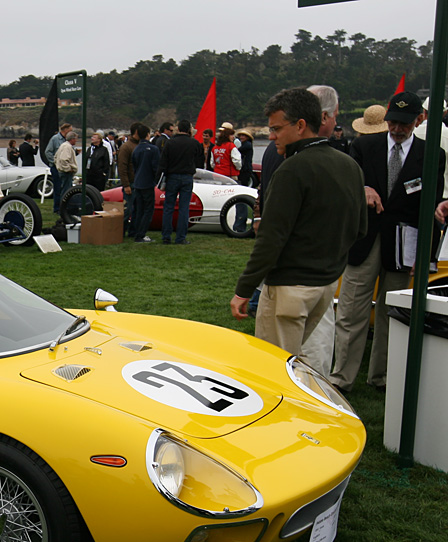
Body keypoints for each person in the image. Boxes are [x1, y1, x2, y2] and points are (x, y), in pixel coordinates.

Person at [230, 88, 367, 365]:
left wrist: (244, 289)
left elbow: (271, 237)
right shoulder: (349, 165)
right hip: (327, 284)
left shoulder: (292, 169)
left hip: (289, 287)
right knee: (308, 363)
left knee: (274, 368)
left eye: (277, 128)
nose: (271, 136)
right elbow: (359, 228)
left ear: (301, 125)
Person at [331, 91, 446, 393]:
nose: (396, 130)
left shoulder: (432, 154)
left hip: (404, 245)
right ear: (385, 119)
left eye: (404, 124)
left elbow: (431, 207)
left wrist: (426, 256)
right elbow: (346, 187)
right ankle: (342, 378)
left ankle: (381, 377)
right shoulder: (363, 146)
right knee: (351, 311)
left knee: (391, 312)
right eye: (393, 122)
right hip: (365, 240)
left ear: (419, 120)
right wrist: (365, 188)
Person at [158, 119, 203, 245]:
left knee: (168, 207)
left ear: (178, 129)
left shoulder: (170, 143)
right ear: (189, 129)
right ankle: (181, 237)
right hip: (187, 176)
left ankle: (166, 236)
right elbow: (199, 161)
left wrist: (161, 178)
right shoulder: (194, 143)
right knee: (184, 208)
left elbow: (163, 162)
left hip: (172, 176)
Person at [130, 123, 160, 243]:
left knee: (139, 209)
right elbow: (156, 167)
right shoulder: (153, 149)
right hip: (148, 183)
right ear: (148, 135)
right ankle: (141, 234)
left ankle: (137, 232)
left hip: (138, 182)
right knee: (148, 209)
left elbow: (135, 166)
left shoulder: (136, 149)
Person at [117, 122, 140, 236]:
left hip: (137, 183)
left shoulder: (137, 146)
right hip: (130, 183)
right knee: (127, 210)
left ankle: (133, 231)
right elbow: (122, 166)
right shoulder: (126, 147)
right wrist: (125, 184)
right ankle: (120, 231)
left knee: (136, 210)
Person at [44, 122, 71, 213]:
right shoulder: (55, 139)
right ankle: (57, 208)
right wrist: (56, 162)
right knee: (58, 188)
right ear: (66, 130)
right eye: (70, 131)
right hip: (56, 168)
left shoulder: (67, 140)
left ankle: (64, 207)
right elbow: (48, 152)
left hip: (64, 168)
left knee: (66, 187)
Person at [54, 131, 80, 208]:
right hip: (66, 173)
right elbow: (63, 159)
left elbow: (55, 158)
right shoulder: (67, 147)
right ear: (72, 139)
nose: (76, 141)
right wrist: (68, 169)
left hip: (62, 171)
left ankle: (63, 207)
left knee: (64, 190)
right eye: (75, 139)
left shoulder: (63, 145)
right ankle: (64, 208)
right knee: (66, 191)